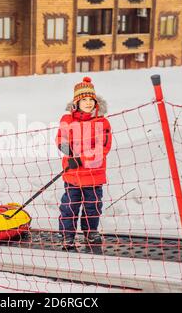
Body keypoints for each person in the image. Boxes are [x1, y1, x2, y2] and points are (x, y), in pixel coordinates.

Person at [55, 77, 112, 249]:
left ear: (96, 102)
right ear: (76, 102)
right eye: (83, 100)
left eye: (91, 100)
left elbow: (103, 147)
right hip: (72, 175)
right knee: (69, 206)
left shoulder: (102, 122)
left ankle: (90, 233)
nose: (88, 103)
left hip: (94, 176)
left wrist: (81, 159)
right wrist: (69, 153)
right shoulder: (67, 120)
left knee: (92, 206)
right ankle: (67, 235)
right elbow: (61, 138)